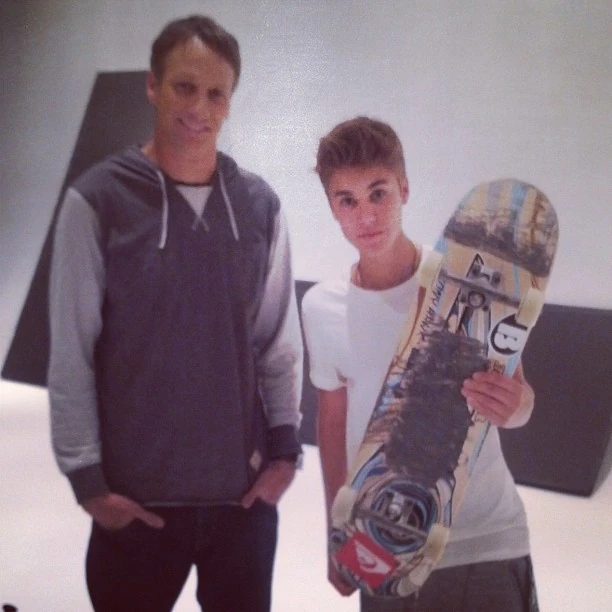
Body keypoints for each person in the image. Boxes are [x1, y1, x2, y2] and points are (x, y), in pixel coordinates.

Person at [48, 15, 303, 612]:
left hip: (240, 505)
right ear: (152, 85)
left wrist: (285, 453)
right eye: (184, 86)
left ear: (230, 102)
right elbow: (72, 354)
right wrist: (88, 482)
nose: (199, 107)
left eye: (216, 93)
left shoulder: (259, 206)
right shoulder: (97, 202)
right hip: (136, 507)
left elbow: (277, 343)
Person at [301, 116, 539, 612]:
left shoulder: (469, 284)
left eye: (378, 193)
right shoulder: (322, 308)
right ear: (332, 209)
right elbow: (332, 422)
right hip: (384, 545)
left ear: (404, 189)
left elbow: (520, 402)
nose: (366, 215)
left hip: (485, 539)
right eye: (347, 200)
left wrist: (516, 407)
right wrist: (337, 531)